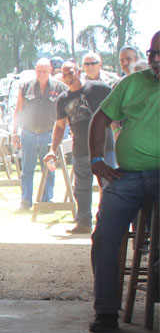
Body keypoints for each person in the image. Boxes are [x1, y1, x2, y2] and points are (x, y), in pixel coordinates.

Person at [86, 31, 159, 333]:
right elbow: (100, 118)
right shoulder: (133, 82)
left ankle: (156, 285)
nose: (157, 61)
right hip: (126, 175)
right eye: (153, 55)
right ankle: (106, 311)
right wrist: (97, 160)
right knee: (104, 236)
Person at [46, 60, 111, 234]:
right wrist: (52, 149)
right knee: (81, 188)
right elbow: (60, 126)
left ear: (79, 71)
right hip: (81, 149)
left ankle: (107, 223)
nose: (67, 77)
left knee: (108, 186)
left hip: (104, 147)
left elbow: (117, 106)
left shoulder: (98, 88)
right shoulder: (63, 99)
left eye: (71, 73)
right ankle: (83, 222)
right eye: (64, 74)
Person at [10, 57, 67, 210]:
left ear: (50, 70)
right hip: (28, 134)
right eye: (39, 71)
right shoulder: (25, 86)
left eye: (45, 71)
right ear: (35, 70)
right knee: (27, 170)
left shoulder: (60, 88)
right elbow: (18, 111)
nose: (42, 74)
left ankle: (46, 202)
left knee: (49, 169)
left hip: (49, 136)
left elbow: (66, 112)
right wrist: (14, 133)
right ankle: (25, 202)